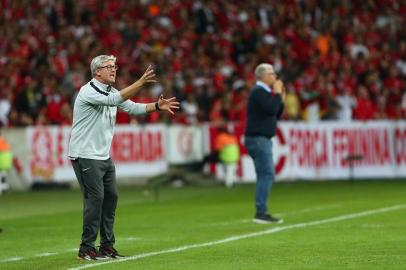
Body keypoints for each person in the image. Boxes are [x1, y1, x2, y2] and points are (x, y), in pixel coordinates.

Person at [68, 55, 179, 261]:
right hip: (85, 154)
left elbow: (133, 107)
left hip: (103, 155)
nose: (113, 69)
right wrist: (140, 82)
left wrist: (156, 105)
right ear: (97, 72)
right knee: (95, 199)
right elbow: (114, 101)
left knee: (111, 198)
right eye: (108, 66)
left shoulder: (112, 91)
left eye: (114, 66)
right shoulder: (88, 91)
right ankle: (86, 248)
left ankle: (107, 247)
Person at [244, 63, 285, 224]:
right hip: (258, 138)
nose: (275, 77)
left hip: (261, 139)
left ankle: (261, 211)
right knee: (267, 174)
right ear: (262, 76)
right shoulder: (258, 92)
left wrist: (280, 97)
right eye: (271, 73)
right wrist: (276, 94)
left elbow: (276, 113)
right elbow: (271, 109)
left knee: (264, 174)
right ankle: (261, 212)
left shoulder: (264, 92)